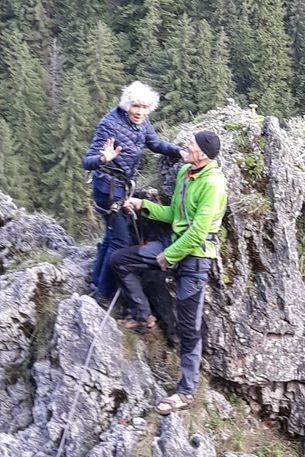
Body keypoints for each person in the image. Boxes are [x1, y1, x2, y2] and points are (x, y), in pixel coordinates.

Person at [111, 131, 228, 415]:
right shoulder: (186, 173)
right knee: (121, 260)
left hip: (195, 260)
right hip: (173, 245)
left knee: (189, 328)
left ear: (203, 154)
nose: (186, 146)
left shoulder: (213, 183)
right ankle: (143, 316)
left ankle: (186, 392)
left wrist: (169, 256)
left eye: (192, 144)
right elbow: (175, 215)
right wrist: (144, 206)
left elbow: (199, 231)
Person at [83, 81, 186, 303]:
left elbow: (155, 143)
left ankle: (96, 282)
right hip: (108, 191)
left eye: (144, 107)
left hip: (121, 188)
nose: (140, 112)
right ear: (126, 105)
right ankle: (103, 294)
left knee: (111, 237)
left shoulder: (143, 122)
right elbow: (86, 161)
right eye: (135, 107)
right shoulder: (109, 125)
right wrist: (103, 158)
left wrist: (180, 152)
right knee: (120, 242)